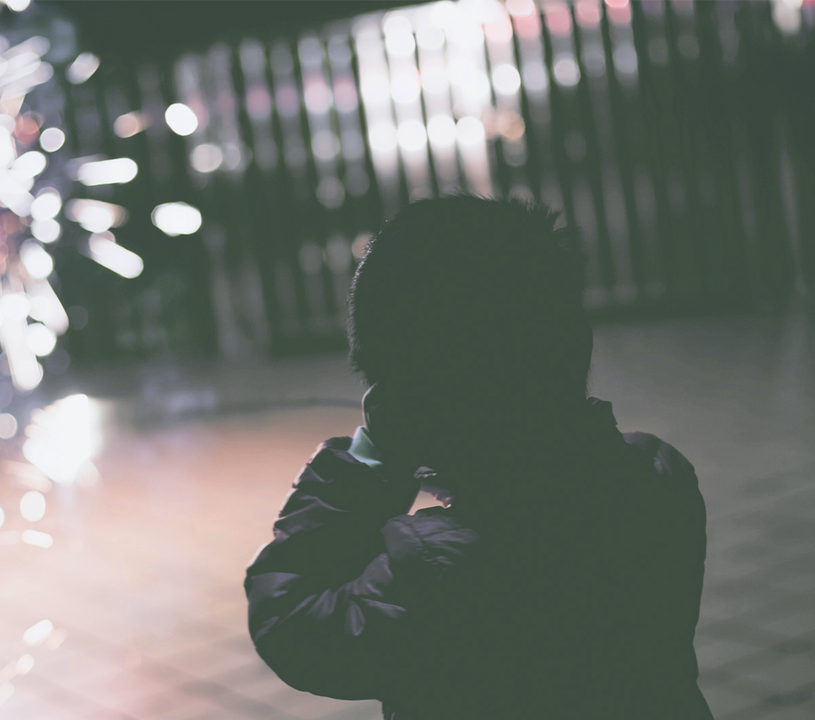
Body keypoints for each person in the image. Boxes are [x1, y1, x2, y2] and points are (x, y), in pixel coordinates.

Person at [244, 196, 712, 719]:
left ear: (408, 407)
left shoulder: (436, 569)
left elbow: (288, 620)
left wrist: (370, 460)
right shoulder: (656, 474)